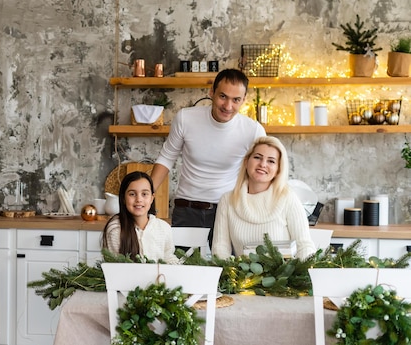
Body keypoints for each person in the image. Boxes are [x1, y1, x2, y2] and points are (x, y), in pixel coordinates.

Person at [150, 68, 266, 244]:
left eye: (236, 100)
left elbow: (263, 172)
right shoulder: (185, 118)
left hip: (228, 212)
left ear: (243, 100)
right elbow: (167, 158)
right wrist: (147, 194)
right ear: (212, 92)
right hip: (186, 209)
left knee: (227, 270)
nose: (228, 106)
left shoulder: (253, 130)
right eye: (223, 96)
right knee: (183, 269)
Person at [211, 136, 316, 260]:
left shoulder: (288, 198)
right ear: (246, 161)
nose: (262, 164)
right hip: (241, 278)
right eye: (257, 157)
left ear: (278, 170)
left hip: (285, 277)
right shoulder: (227, 200)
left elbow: (304, 245)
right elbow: (220, 248)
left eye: (271, 161)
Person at [102, 171, 179, 264]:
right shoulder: (116, 229)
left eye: (144, 194)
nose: (139, 199)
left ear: (152, 198)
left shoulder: (164, 228)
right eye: (132, 194)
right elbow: (115, 266)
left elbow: (168, 256)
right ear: (123, 198)